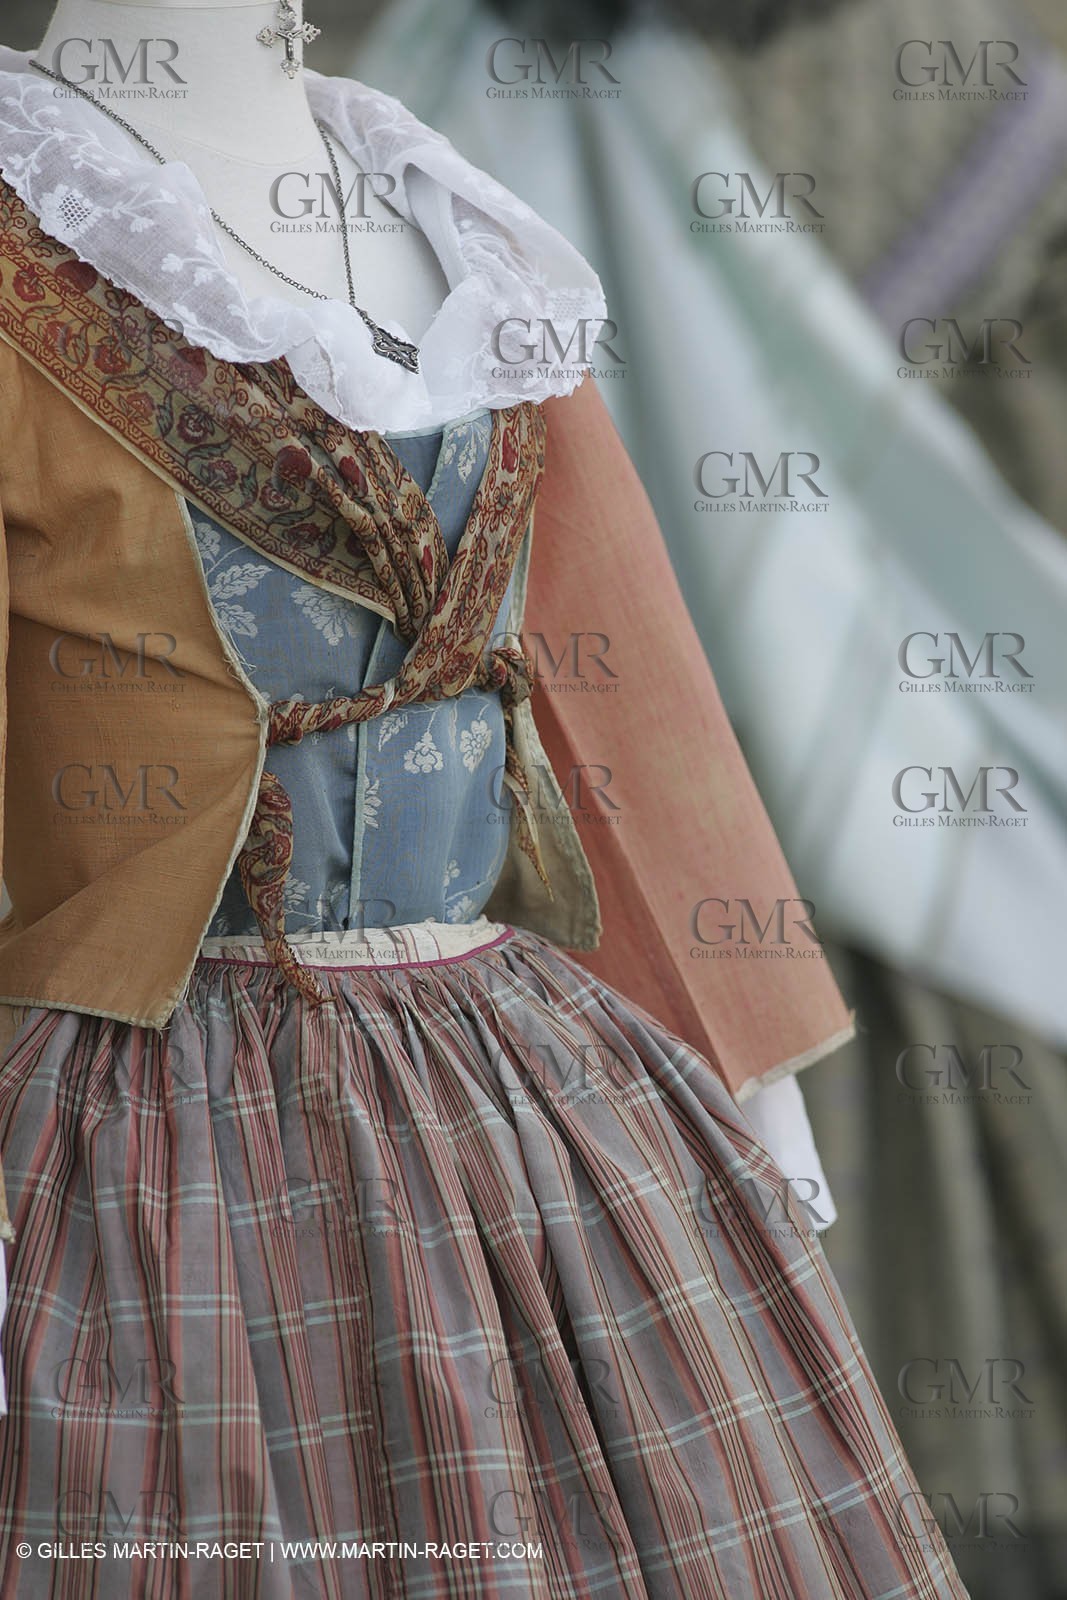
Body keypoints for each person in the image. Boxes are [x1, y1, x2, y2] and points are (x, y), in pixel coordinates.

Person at [0, 3, 968, 1595]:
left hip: (521, 1082)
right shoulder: (28, 246)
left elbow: (622, 678)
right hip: (148, 1117)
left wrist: (750, 1073)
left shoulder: (452, 228)